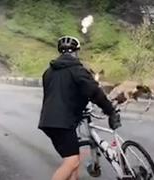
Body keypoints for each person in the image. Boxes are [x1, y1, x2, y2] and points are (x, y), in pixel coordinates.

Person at [38, 36, 121, 180]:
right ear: (76, 52)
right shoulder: (78, 70)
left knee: (72, 158)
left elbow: (60, 94)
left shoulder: (48, 72)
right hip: (63, 122)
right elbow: (95, 92)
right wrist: (110, 111)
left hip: (48, 121)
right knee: (72, 161)